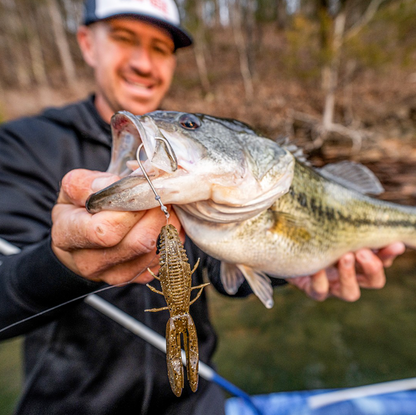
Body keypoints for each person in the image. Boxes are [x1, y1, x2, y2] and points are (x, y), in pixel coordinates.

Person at [0, 0, 405, 414]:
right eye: (124, 39)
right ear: (87, 43)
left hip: (198, 405)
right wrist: (59, 263)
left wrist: (290, 269)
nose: (144, 63)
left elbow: (225, 273)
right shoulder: (23, 146)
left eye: (161, 48)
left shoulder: (208, 179)